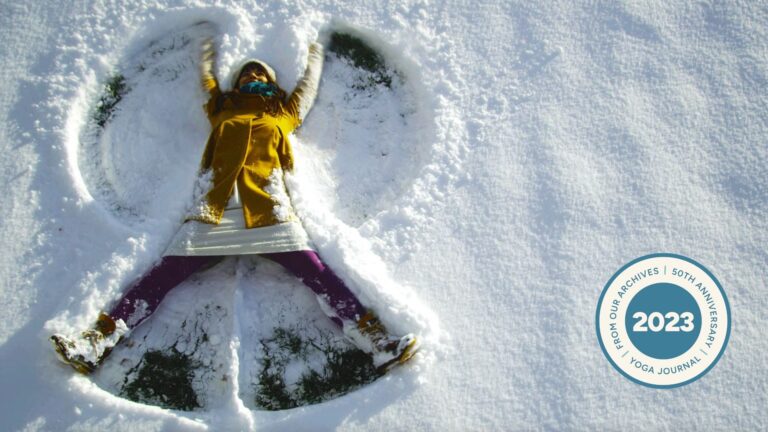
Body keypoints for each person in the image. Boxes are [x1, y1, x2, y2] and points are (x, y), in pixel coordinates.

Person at [50, 36, 418, 375]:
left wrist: (315, 50)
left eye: (260, 71)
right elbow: (207, 80)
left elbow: (307, 88)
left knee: (319, 275)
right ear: (236, 82)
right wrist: (208, 49)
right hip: (215, 212)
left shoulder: (282, 113)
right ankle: (96, 342)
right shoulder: (222, 109)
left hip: (269, 211)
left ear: (271, 83)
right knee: (158, 279)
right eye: (246, 71)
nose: (252, 73)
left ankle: (377, 342)